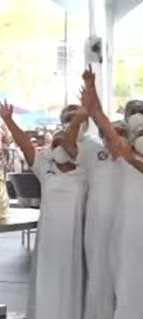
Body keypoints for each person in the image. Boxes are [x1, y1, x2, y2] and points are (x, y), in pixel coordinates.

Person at [0, 100, 86, 319]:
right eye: (67, 120)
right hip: (49, 242)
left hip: (77, 241)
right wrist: (8, 119)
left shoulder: (86, 167)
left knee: (74, 285)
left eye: (76, 120)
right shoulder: (45, 165)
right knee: (47, 283)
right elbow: (25, 144)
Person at [81, 67, 143, 319]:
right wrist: (91, 88)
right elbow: (101, 120)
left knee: (131, 280)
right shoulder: (122, 155)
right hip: (126, 227)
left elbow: (101, 120)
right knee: (125, 278)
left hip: (134, 228)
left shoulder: (129, 157)